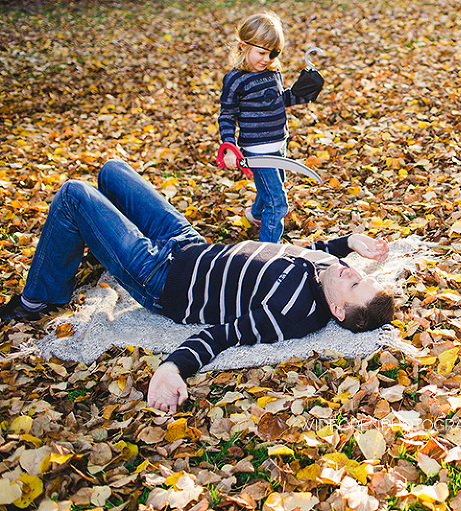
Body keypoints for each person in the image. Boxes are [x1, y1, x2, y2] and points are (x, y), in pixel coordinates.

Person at [0, 159, 395, 413]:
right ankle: (88, 240)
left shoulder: (292, 314)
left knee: (73, 193)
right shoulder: (330, 270)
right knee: (111, 171)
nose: (350, 270)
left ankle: (41, 297)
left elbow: (222, 336)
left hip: (159, 276)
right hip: (188, 244)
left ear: (338, 311)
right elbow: (306, 252)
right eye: (359, 272)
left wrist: (172, 368)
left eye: (355, 283)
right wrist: (349, 242)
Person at [219, 11, 321, 243]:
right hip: (257, 151)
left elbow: (278, 101)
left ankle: (255, 215)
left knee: (270, 191)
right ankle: (267, 253)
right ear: (243, 46)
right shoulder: (236, 80)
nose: (267, 59)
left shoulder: (272, 73)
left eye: (273, 53)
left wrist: (302, 93)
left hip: (279, 144)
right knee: (278, 202)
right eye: (262, 52)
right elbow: (227, 115)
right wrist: (228, 145)